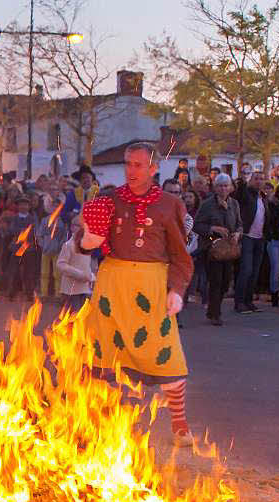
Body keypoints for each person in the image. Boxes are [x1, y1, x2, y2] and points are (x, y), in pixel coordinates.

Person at [79, 142, 194, 446]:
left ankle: (180, 423)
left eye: (139, 165)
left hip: (151, 287)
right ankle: (102, 422)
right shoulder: (109, 199)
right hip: (112, 284)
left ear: (154, 169)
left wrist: (177, 290)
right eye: (128, 164)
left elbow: (182, 256)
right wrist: (86, 239)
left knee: (166, 354)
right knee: (104, 353)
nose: (132, 170)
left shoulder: (170, 204)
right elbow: (85, 238)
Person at [193, 174, 242, 325]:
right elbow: (197, 225)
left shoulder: (234, 204)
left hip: (228, 248)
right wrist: (213, 228)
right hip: (212, 247)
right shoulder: (207, 204)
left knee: (226, 281)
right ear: (215, 188)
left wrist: (238, 234)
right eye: (220, 186)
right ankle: (215, 313)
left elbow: (240, 224)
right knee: (216, 280)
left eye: (226, 185)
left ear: (231, 188)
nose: (223, 189)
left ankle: (213, 309)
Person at [232, 170, 268, 314]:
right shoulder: (246, 193)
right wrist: (242, 182)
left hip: (260, 238)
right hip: (247, 236)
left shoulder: (263, 197)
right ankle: (239, 302)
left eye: (261, 179)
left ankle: (248, 301)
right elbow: (239, 194)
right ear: (251, 180)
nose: (259, 181)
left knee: (254, 272)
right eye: (256, 178)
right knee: (245, 270)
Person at [56, 230, 95, 312]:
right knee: (72, 319)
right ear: (72, 227)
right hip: (70, 290)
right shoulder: (68, 245)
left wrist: (91, 276)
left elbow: (88, 265)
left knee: (83, 319)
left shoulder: (87, 245)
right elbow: (61, 264)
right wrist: (79, 274)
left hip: (85, 289)